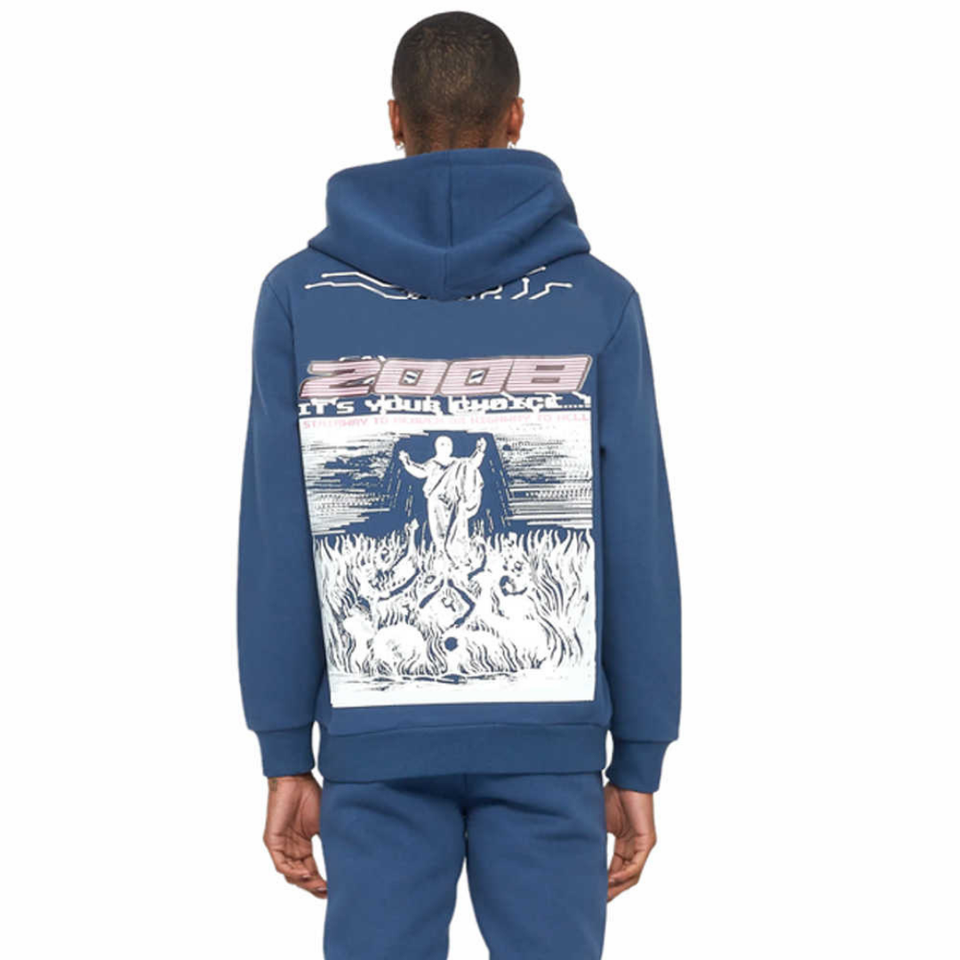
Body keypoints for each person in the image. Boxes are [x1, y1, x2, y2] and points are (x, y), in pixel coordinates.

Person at [238, 11, 681, 959]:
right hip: (551, 745)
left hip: (374, 747)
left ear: (394, 121)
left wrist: (284, 750)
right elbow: (638, 537)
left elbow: (277, 537)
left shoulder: (298, 298)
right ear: (517, 117)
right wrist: (640, 757)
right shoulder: (599, 302)